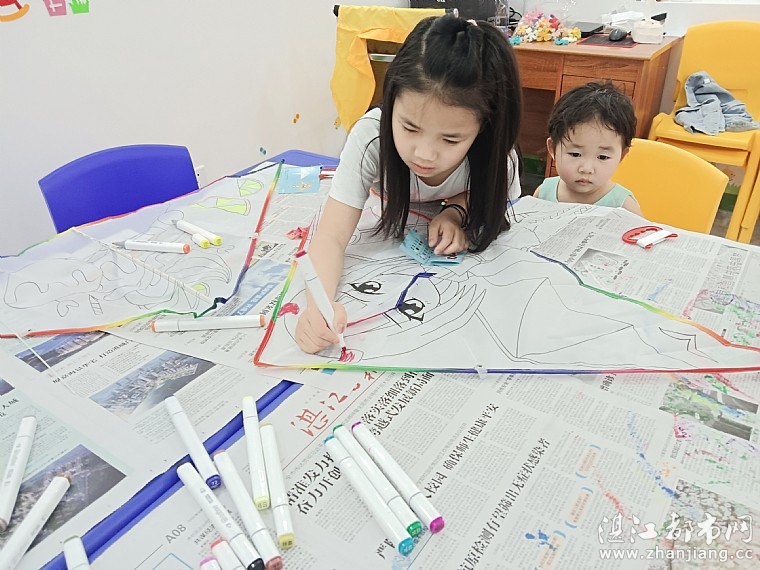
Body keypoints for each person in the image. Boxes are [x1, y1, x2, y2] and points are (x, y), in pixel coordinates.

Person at [295, 15, 523, 354]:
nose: (424, 154)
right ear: (392, 101)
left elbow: (496, 207)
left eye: (451, 139)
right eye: (410, 128)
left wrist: (456, 212)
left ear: (482, 129)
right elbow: (331, 236)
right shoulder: (372, 137)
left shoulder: (497, 156)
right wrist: (319, 306)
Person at [534, 81, 643, 216]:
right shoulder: (544, 193)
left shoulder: (623, 206)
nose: (586, 169)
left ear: (621, 156)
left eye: (602, 157)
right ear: (553, 148)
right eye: (575, 154)